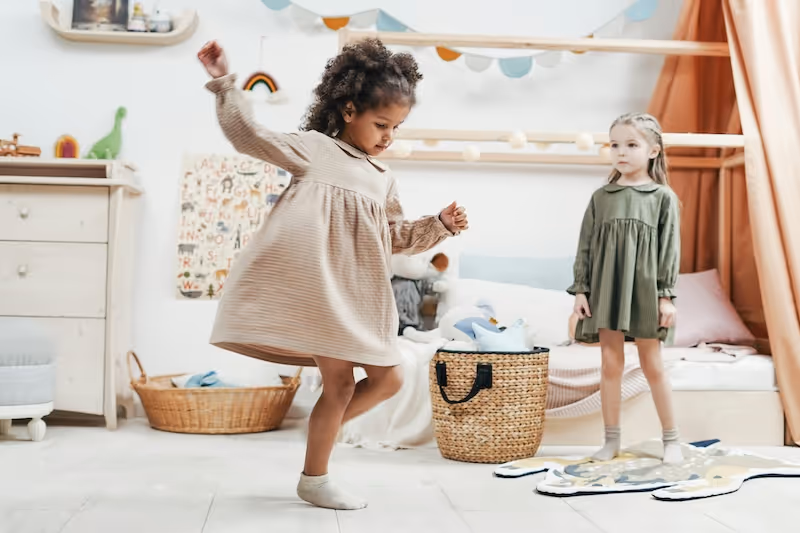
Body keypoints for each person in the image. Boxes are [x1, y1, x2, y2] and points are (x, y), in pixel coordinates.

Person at [197, 39, 468, 510]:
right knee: (341, 385)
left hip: (356, 292)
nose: (388, 137)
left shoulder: (382, 177)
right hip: (318, 289)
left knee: (389, 380)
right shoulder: (316, 150)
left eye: (396, 128)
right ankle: (316, 474)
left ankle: (321, 432)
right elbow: (249, 135)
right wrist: (224, 82)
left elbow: (394, 236)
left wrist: (438, 226)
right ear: (348, 109)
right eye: (381, 124)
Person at [567, 112, 683, 465]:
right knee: (610, 363)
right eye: (615, 144)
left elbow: (669, 250)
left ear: (652, 151)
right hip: (606, 288)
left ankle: (672, 440)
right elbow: (584, 246)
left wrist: (666, 295)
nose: (621, 151)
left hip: (647, 290)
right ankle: (611, 440)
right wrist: (581, 291)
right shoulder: (601, 197)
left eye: (631, 144)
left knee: (653, 364)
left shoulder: (662, 197)